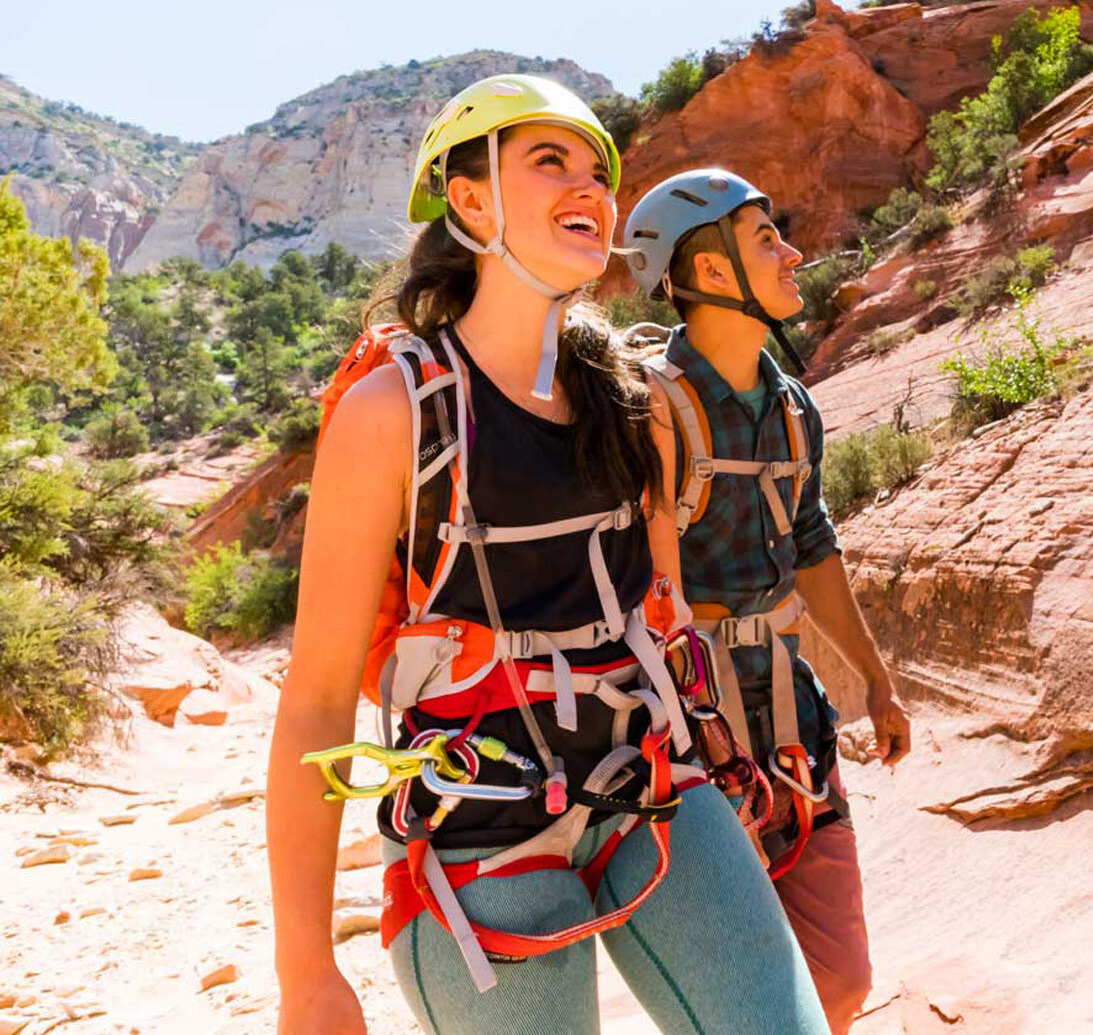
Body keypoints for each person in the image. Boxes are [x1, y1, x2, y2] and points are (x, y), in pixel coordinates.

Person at [266, 76, 827, 1035]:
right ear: (470, 199)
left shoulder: (631, 397)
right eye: (549, 161)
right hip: (478, 818)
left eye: (598, 172)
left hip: (648, 778)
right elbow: (317, 696)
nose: (589, 188)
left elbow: (663, 608)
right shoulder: (392, 411)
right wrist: (307, 972)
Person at [621, 168, 914, 1033]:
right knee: (746, 1005)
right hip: (686, 739)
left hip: (794, 722)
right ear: (710, 274)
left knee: (841, 982)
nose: (793, 253)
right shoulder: (648, 410)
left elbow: (813, 542)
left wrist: (874, 678)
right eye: (765, 240)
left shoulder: (793, 407)